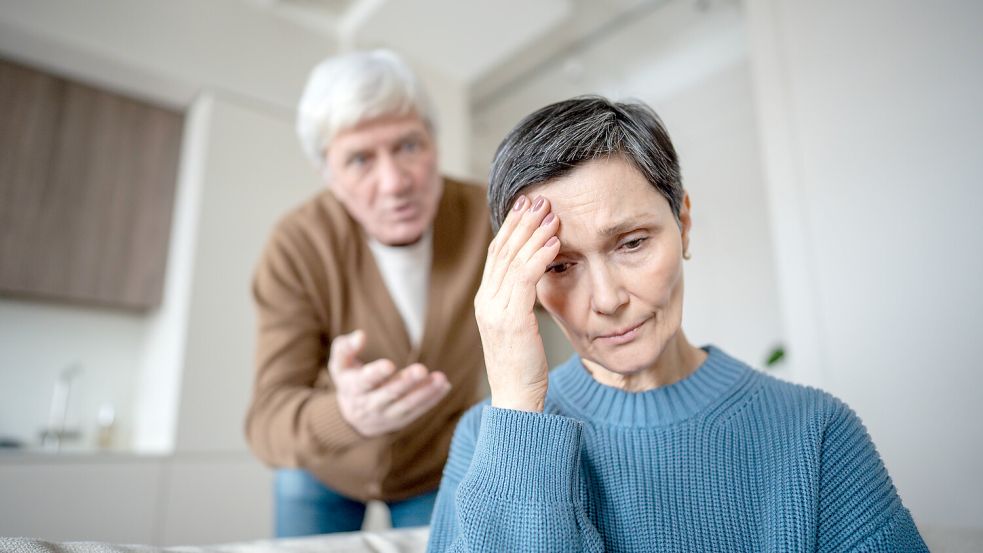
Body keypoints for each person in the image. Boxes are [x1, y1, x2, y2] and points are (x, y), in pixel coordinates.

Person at [427, 96, 928, 552]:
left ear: (683, 223)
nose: (607, 300)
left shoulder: (816, 433)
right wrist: (517, 409)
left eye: (632, 243)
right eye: (559, 265)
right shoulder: (486, 441)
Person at [245, 50, 491, 537]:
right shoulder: (297, 245)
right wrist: (347, 414)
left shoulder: (487, 217)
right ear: (329, 177)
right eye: (359, 159)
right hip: (323, 466)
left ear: (434, 144)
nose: (396, 182)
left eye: (408, 146)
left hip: (435, 467)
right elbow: (267, 421)